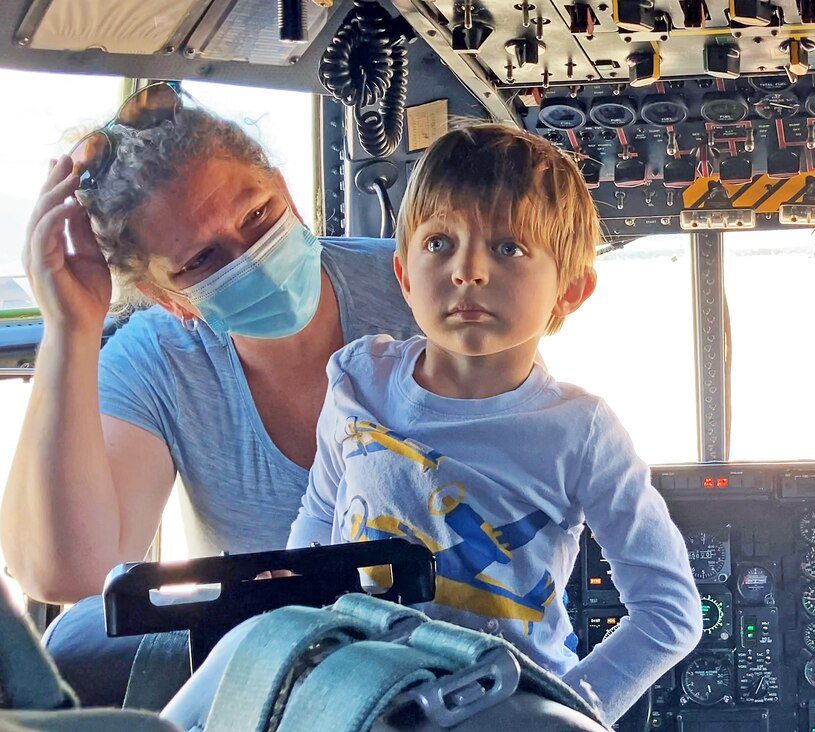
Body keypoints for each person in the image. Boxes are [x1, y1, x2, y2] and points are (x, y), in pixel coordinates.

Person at [0, 83, 417, 703]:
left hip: (456, 645)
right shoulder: (159, 359)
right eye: (202, 259)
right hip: (281, 679)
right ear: (171, 298)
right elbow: (72, 573)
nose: (254, 258)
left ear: (290, 197)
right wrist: (69, 330)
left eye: (257, 214)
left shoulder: (421, 287)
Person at [287, 124, 703, 724]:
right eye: (438, 244)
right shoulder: (356, 380)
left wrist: (564, 714)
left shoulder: (581, 432)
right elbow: (319, 518)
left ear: (571, 290)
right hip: (360, 701)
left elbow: (669, 611)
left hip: (503, 712)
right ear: (403, 275)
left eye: (508, 248)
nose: (467, 271)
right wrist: (303, 648)